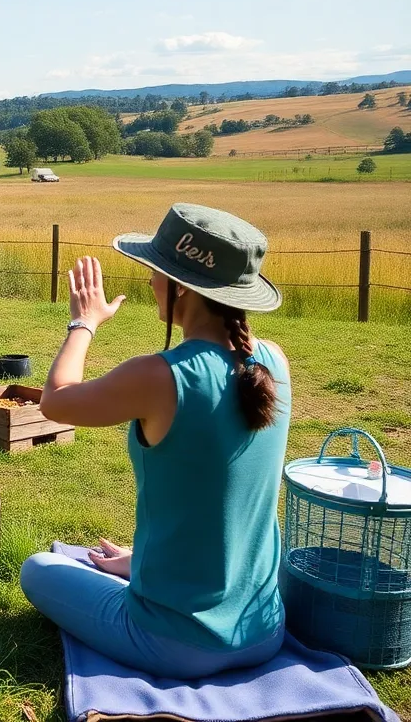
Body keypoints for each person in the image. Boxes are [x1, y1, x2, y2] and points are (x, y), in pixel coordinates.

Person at [20, 203, 291, 680]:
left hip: (176, 642)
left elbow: (56, 402)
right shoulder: (274, 363)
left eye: (155, 270)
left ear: (181, 286)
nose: (149, 281)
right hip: (264, 632)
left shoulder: (160, 376)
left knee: (38, 568)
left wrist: (84, 322)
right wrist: (139, 562)